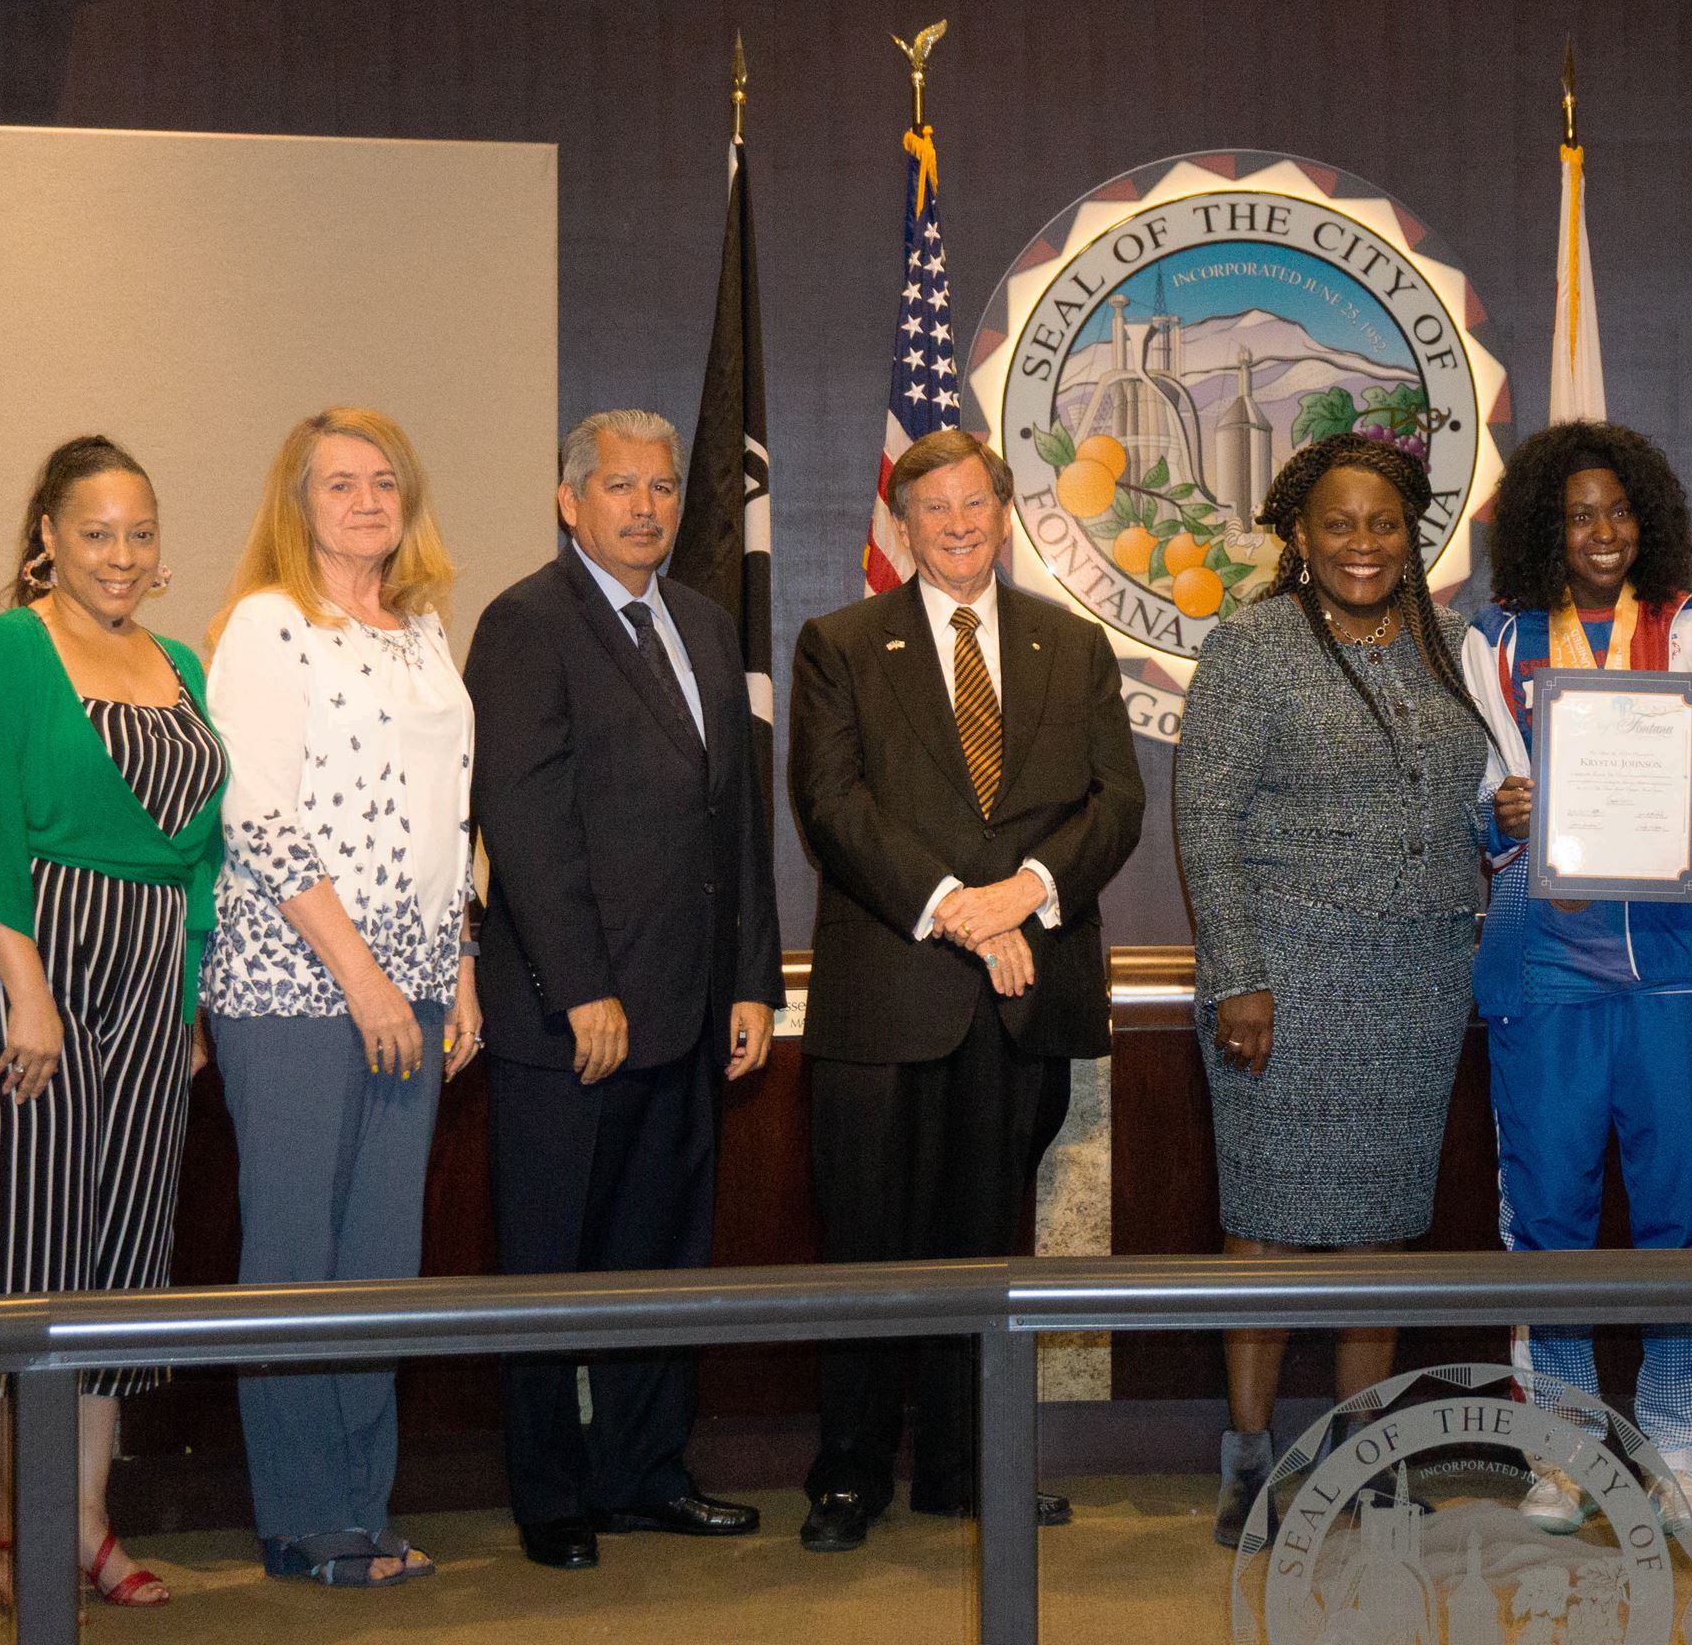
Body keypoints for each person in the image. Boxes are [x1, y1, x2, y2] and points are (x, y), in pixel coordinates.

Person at [788, 429, 1144, 1552]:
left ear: (1004, 511)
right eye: (930, 507)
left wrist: (1023, 892)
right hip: (888, 997)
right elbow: (833, 805)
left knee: (991, 1245)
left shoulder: (1070, 644)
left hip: (1022, 991)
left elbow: (1113, 803)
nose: (954, 523)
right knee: (870, 1247)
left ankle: (966, 1466)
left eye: (973, 502)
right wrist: (956, 903)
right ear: (900, 525)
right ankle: (849, 1473)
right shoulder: (839, 643)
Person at [467, 410, 782, 1572]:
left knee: (662, 1262)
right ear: (569, 500)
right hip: (573, 1023)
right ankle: (551, 1496)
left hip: (692, 1013)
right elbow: (525, 819)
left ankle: (645, 1473)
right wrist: (581, 987)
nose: (644, 506)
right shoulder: (524, 623)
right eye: (617, 486)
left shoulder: (702, 623)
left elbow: (733, 823)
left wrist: (753, 979)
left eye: (658, 487)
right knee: (547, 1270)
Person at [0, 436, 226, 1612]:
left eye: (139, 531)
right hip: (25, 961)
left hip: (149, 972)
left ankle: (88, 1522)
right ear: (46, 534)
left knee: (119, 1255)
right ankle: (19, 1523)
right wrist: (26, 984)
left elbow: (196, 858)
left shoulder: (179, 659)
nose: (120, 554)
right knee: (25, 1252)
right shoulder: (6, 648)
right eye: (95, 531)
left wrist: (189, 991)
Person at [1174, 432, 1492, 1549]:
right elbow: (1205, 820)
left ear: (1412, 533)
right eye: (1337, 523)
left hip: (1415, 976)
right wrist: (1237, 976)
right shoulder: (1251, 646)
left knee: (1380, 1228)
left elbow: (1473, 796)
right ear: (1299, 538)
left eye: (1382, 522)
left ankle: (1366, 1455)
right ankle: (1249, 1454)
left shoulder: (1452, 644)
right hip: (1288, 973)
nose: (1362, 542)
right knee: (1261, 1224)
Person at [1462, 420, 1692, 1540]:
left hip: (1673, 950)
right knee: (1547, 1212)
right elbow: (1479, 794)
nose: (1601, 532)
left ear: (1648, 520)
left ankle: (1679, 1447)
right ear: (1545, 522)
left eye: (1618, 511)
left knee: (1681, 1207)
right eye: (1578, 513)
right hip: (1542, 948)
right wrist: (1499, 812)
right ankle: (1564, 1448)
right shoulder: (1493, 640)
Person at [203, 407, 477, 1589]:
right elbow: (255, 813)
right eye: (340, 484)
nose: (366, 501)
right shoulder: (270, 627)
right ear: (297, 502)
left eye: (384, 482)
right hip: (295, 988)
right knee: (296, 1254)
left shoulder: (422, 630)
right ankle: (302, 1514)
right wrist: (362, 973)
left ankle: (363, 1505)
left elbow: (447, 817)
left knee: (379, 1257)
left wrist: (453, 961)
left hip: (412, 984)